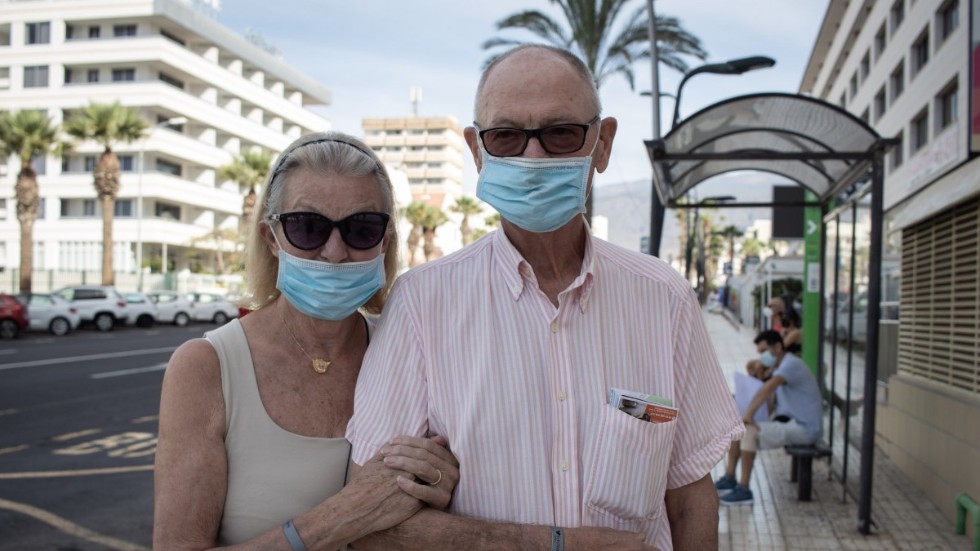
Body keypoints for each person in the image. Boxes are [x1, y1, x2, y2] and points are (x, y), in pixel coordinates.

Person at [345, 44, 744, 551]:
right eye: (506, 136)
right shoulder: (422, 303)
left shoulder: (664, 298)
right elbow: (374, 516)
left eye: (560, 134)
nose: (532, 157)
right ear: (477, 150)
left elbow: (689, 496)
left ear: (601, 145)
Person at [153, 132, 460, 550]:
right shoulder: (206, 367)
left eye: (362, 228)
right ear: (271, 238)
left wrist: (439, 487)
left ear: (385, 241)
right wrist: (348, 513)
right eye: (308, 227)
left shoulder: (411, 350)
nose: (334, 252)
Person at [715, 330, 823, 505]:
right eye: (760, 353)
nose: (762, 357)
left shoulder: (791, 364)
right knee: (738, 426)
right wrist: (758, 376)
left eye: (764, 351)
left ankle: (744, 489)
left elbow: (767, 390)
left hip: (805, 428)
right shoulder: (780, 367)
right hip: (791, 423)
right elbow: (770, 403)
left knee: (748, 431)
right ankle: (729, 478)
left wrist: (748, 414)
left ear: (778, 347)